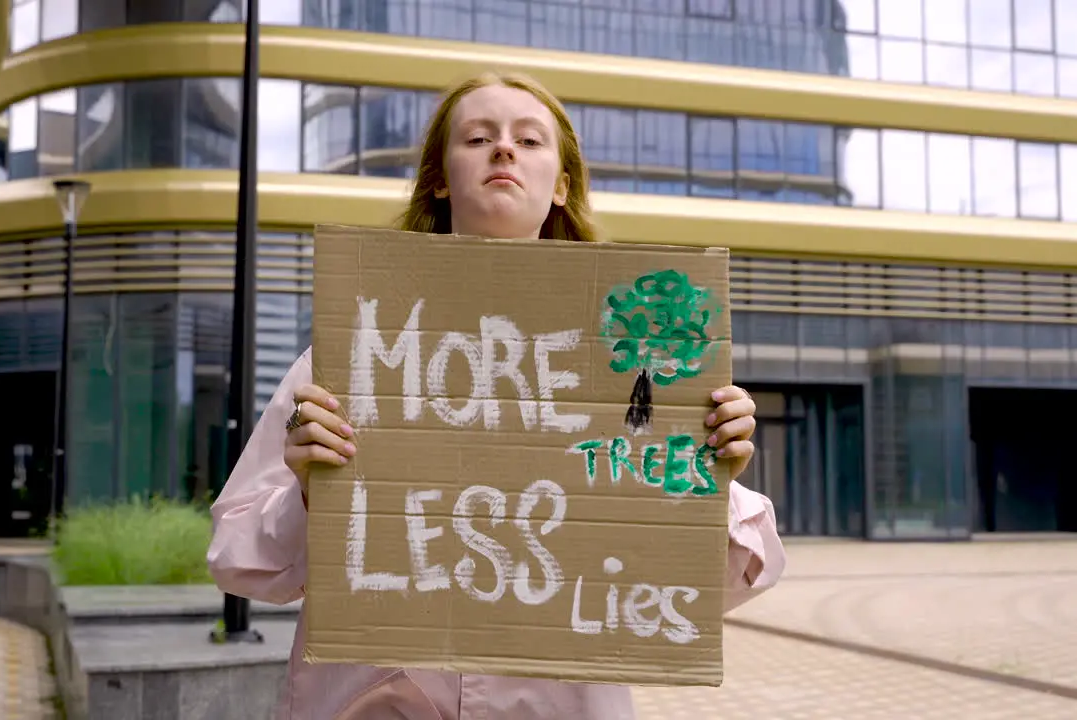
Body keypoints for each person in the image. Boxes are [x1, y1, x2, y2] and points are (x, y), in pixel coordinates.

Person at [208, 71, 786, 720]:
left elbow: (724, 583)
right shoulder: (350, 358)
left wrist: (708, 479)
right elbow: (238, 561)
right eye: (479, 137)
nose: (504, 150)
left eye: (530, 140)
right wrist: (309, 495)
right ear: (439, 177)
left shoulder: (637, 367)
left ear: (562, 186)